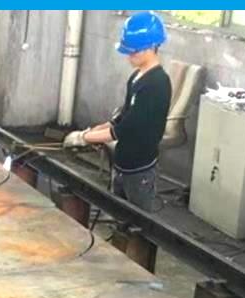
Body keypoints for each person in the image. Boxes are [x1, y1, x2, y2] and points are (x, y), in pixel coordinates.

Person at [63, 11, 172, 212]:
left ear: (151, 47)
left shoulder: (157, 84)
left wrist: (84, 138)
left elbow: (124, 130)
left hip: (139, 169)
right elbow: (122, 118)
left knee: (138, 221)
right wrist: (94, 131)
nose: (129, 56)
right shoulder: (136, 77)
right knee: (117, 214)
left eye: (133, 52)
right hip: (122, 163)